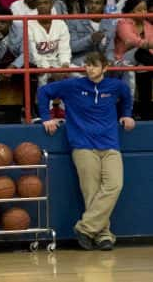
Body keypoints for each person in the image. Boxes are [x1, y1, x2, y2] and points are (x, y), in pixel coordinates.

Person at [39, 51, 135, 251]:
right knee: (91, 192)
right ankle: (104, 236)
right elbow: (44, 92)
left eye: (94, 65)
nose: (89, 68)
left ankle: (85, 228)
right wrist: (46, 116)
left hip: (110, 145)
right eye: (87, 65)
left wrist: (126, 115)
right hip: (83, 146)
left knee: (114, 186)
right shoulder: (73, 85)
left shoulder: (116, 87)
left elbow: (127, 96)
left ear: (105, 68)